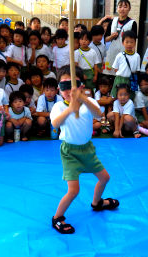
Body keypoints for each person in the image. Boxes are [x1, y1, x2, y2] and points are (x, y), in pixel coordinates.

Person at [50, 65, 119, 234]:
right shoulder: (59, 107)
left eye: (73, 85)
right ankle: (57, 217)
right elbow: (55, 124)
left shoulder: (89, 102)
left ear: (81, 86)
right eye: (64, 86)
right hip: (70, 152)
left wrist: (83, 99)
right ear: (59, 89)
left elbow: (98, 114)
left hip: (87, 149)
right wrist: (70, 109)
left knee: (105, 178)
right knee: (74, 190)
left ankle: (97, 203)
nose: (68, 90)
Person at [103, 0, 137, 77]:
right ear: (117, 8)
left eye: (125, 7)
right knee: (110, 75)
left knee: (123, 74)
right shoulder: (112, 21)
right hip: (112, 52)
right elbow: (105, 39)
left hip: (125, 53)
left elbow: (134, 41)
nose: (122, 9)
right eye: (120, 6)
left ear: (129, 9)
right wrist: (111, 36)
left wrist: (132, 55)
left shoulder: (132, 23)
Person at [111, 30, 140, 98]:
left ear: (135, 43)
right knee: (116, 97)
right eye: (127, 42)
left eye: (132, 42)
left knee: (129, 97)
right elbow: (115, 68)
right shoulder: (119, 55)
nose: (129, 44)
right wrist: (121, 74)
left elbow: (137, 70)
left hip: (130, 80)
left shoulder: (137, 56)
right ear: (123, 43)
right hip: (119, 79)